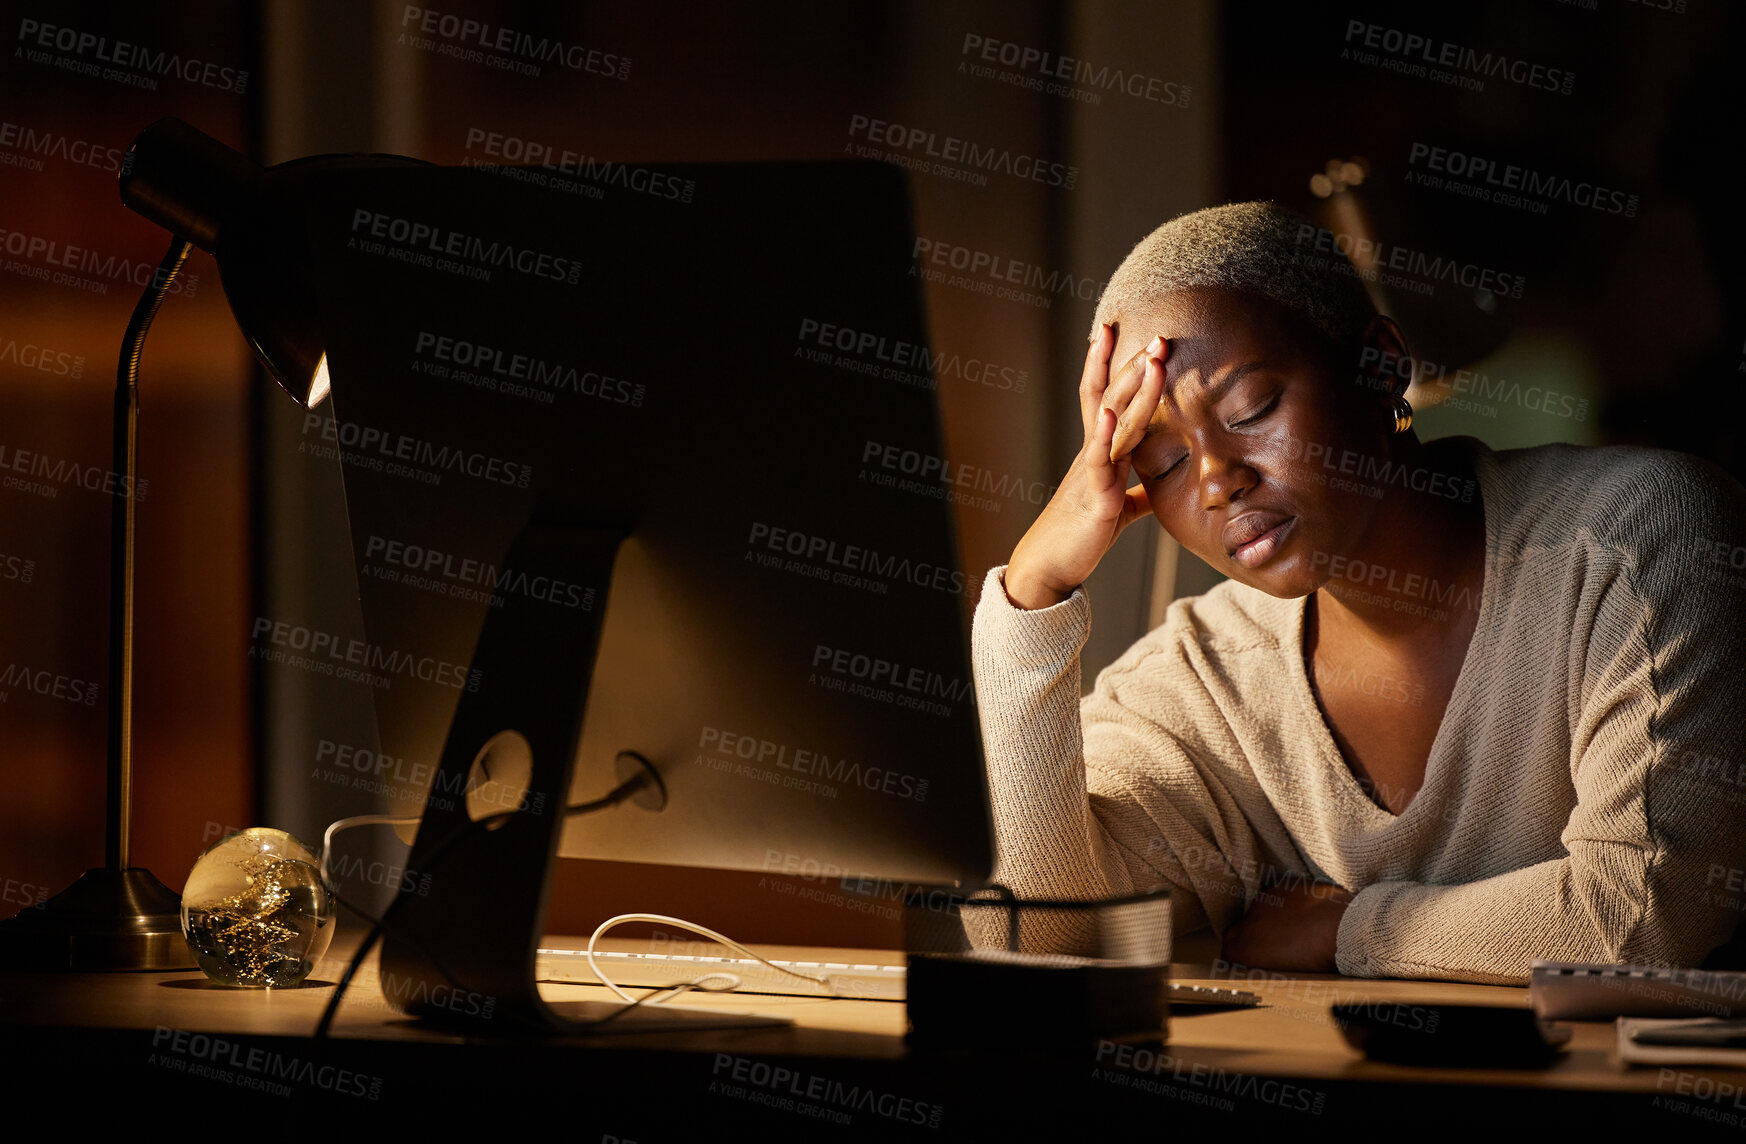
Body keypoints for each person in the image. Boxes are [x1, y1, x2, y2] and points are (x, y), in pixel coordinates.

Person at [971, 201, 1746, 983]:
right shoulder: (1205, 680)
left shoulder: (1640, 542)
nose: (1216, 480)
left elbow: (1643, 917)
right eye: (1164, 463)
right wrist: (1033, 596)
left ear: (1379, 366)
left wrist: (1355, 930)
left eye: (1252, 410)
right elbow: (1037, 936)